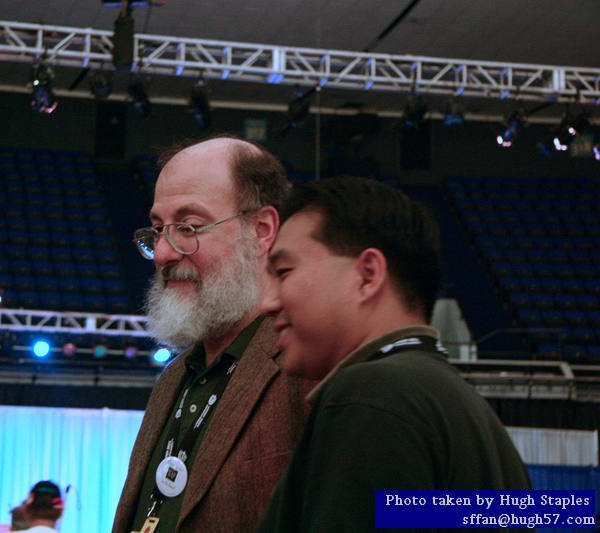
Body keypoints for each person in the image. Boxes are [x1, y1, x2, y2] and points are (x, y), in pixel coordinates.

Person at [256, 176, 531, 532]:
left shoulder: (372, 394)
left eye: (284, 271)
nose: (268, 302)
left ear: (368, 275)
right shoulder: (456, 404)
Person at [113, 135, 312, 533]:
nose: (165, 253)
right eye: (157, 229)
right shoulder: (174, 379)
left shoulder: (314, 367)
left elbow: (439, 511)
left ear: (261, 230)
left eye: (188, 226)